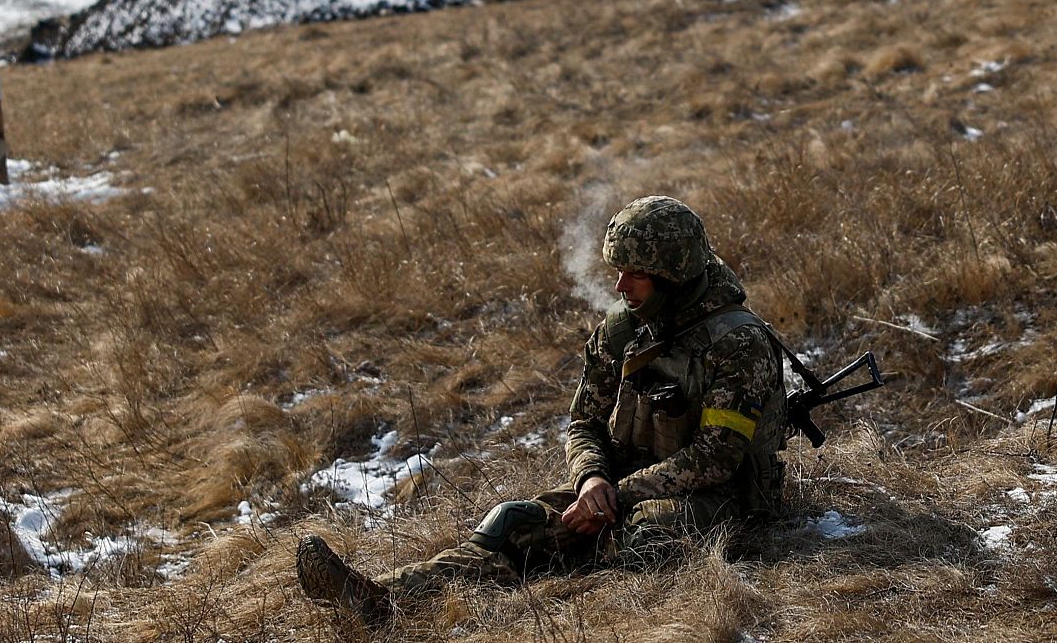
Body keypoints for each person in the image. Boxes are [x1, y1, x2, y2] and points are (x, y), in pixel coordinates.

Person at [296, 195, 788, 624]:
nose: (619, 287)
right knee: (510, 521)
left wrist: (616, 495)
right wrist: (591, 482)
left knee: (648, 536)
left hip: (721, 496)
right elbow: (584, 423)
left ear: (674, 278)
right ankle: (382, 598)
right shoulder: (625, 330)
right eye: (618, 272)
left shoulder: (737, 344)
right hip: (620, 486)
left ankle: (561, 579)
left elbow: (715, 460)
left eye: (636, 275)